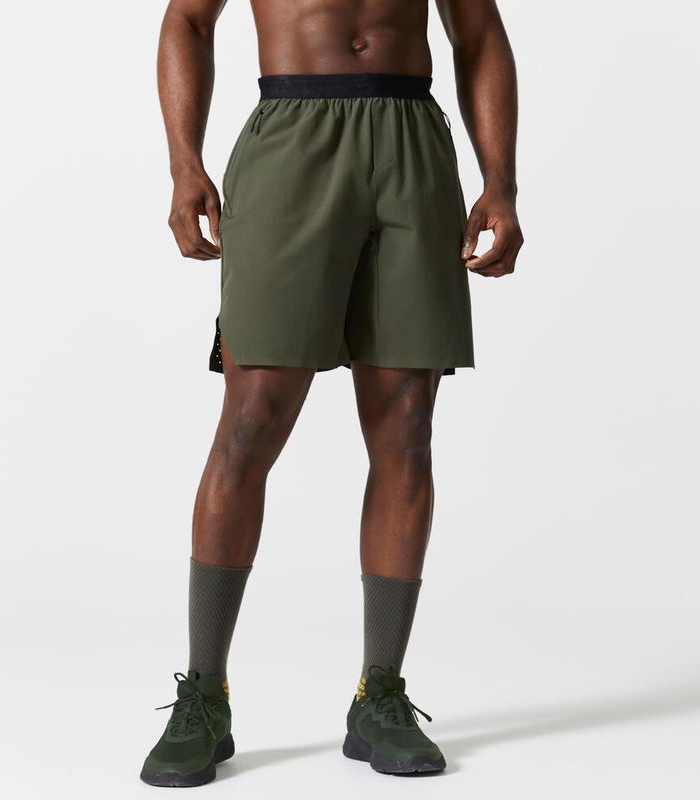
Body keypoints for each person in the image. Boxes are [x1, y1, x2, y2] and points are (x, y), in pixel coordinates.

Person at [140, 0, 523, 786]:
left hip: (412, 142)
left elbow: (480, 35)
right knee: (250, 423)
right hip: (292, 134)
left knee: (407, 429)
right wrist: (184, 163)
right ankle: (203, 695)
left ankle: (379, 694)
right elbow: (188, 20)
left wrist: (501, 183)